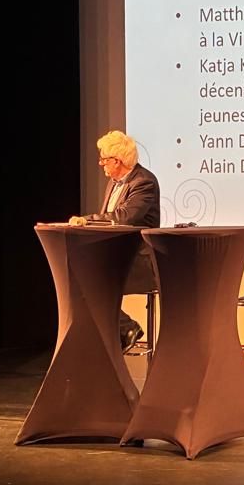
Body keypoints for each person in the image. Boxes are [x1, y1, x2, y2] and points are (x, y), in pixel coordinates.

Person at [69, 130, 160, 350]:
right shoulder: (113, 183)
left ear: (117, 161)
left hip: (137, 262)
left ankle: (125, 329)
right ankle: (120, 332)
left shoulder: (144, 182)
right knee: (77, 276)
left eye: (104, 159)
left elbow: (124, 218)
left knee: (87, 281)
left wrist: (86, 220)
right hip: (115, 257)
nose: (101, 164)